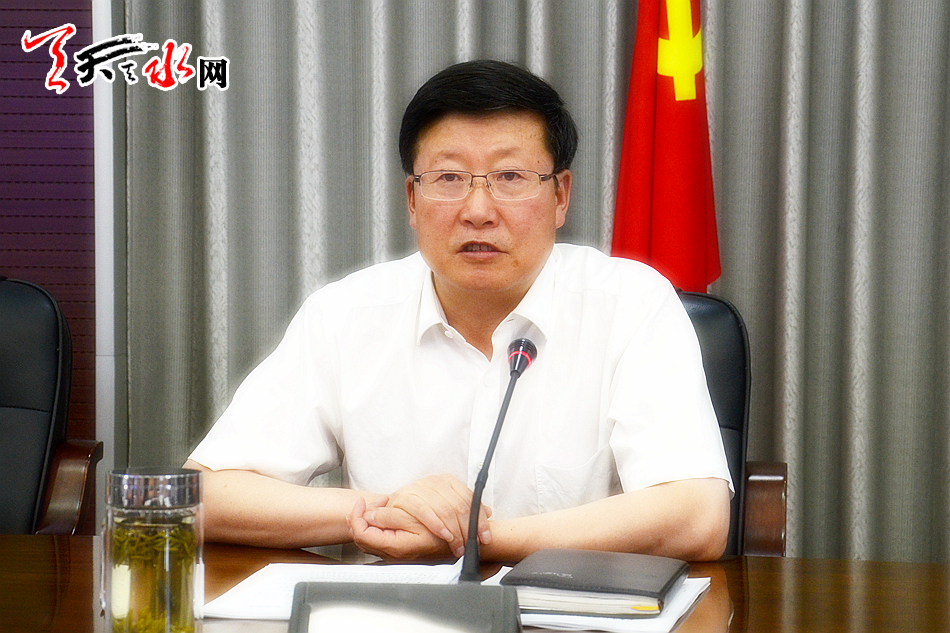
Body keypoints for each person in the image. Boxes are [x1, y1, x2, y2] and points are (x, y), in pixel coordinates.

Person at [184, 59, 733, 562]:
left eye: (510, 178)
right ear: (411, 200)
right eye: (448, 179)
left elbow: (697, 516)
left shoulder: (631, 305)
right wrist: (382, 510)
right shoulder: (346, 315)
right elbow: (202, 494)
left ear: (561, 196)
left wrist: (476, 537)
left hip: (569, 615)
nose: (478, 210)